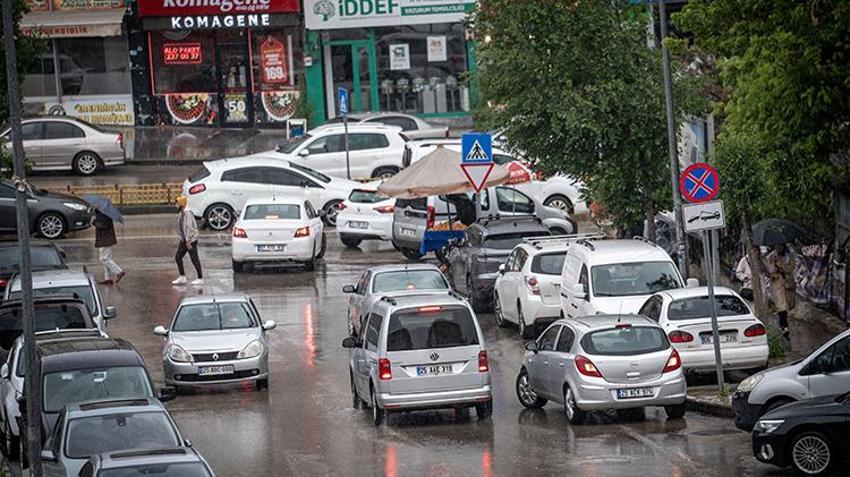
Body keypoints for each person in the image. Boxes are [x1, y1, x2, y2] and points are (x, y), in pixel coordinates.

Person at [764, 244, 797, 338]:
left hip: (788, 283)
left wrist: (783, 266)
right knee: (781, 305)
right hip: (777, 284)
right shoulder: (771, 256)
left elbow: (792, 267)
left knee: (789, 304)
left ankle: (783, 323)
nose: (778, 248)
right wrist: (773, 271)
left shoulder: (789, 256)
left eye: (780, 246)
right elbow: (767, 270)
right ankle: (784, 326)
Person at [173, 196, 203, 286]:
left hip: (190, 240)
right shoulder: (182, 213)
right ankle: (182, 276)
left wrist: (188, 240)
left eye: (177, 204)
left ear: (182, 204)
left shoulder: (187, 213)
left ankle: (200, 278)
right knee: (178, 257)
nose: (176, 206)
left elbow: (189, 227)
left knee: (194, 258)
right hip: (184, 239)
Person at [93, 210, 124, 285]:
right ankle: (108, 278)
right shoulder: (102, 213)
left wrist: (94, 222)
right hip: (104, 239)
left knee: (104, 259)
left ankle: (119, 271)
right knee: (106, 258)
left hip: (106, 240)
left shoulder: (103, 214)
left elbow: (102, 225)